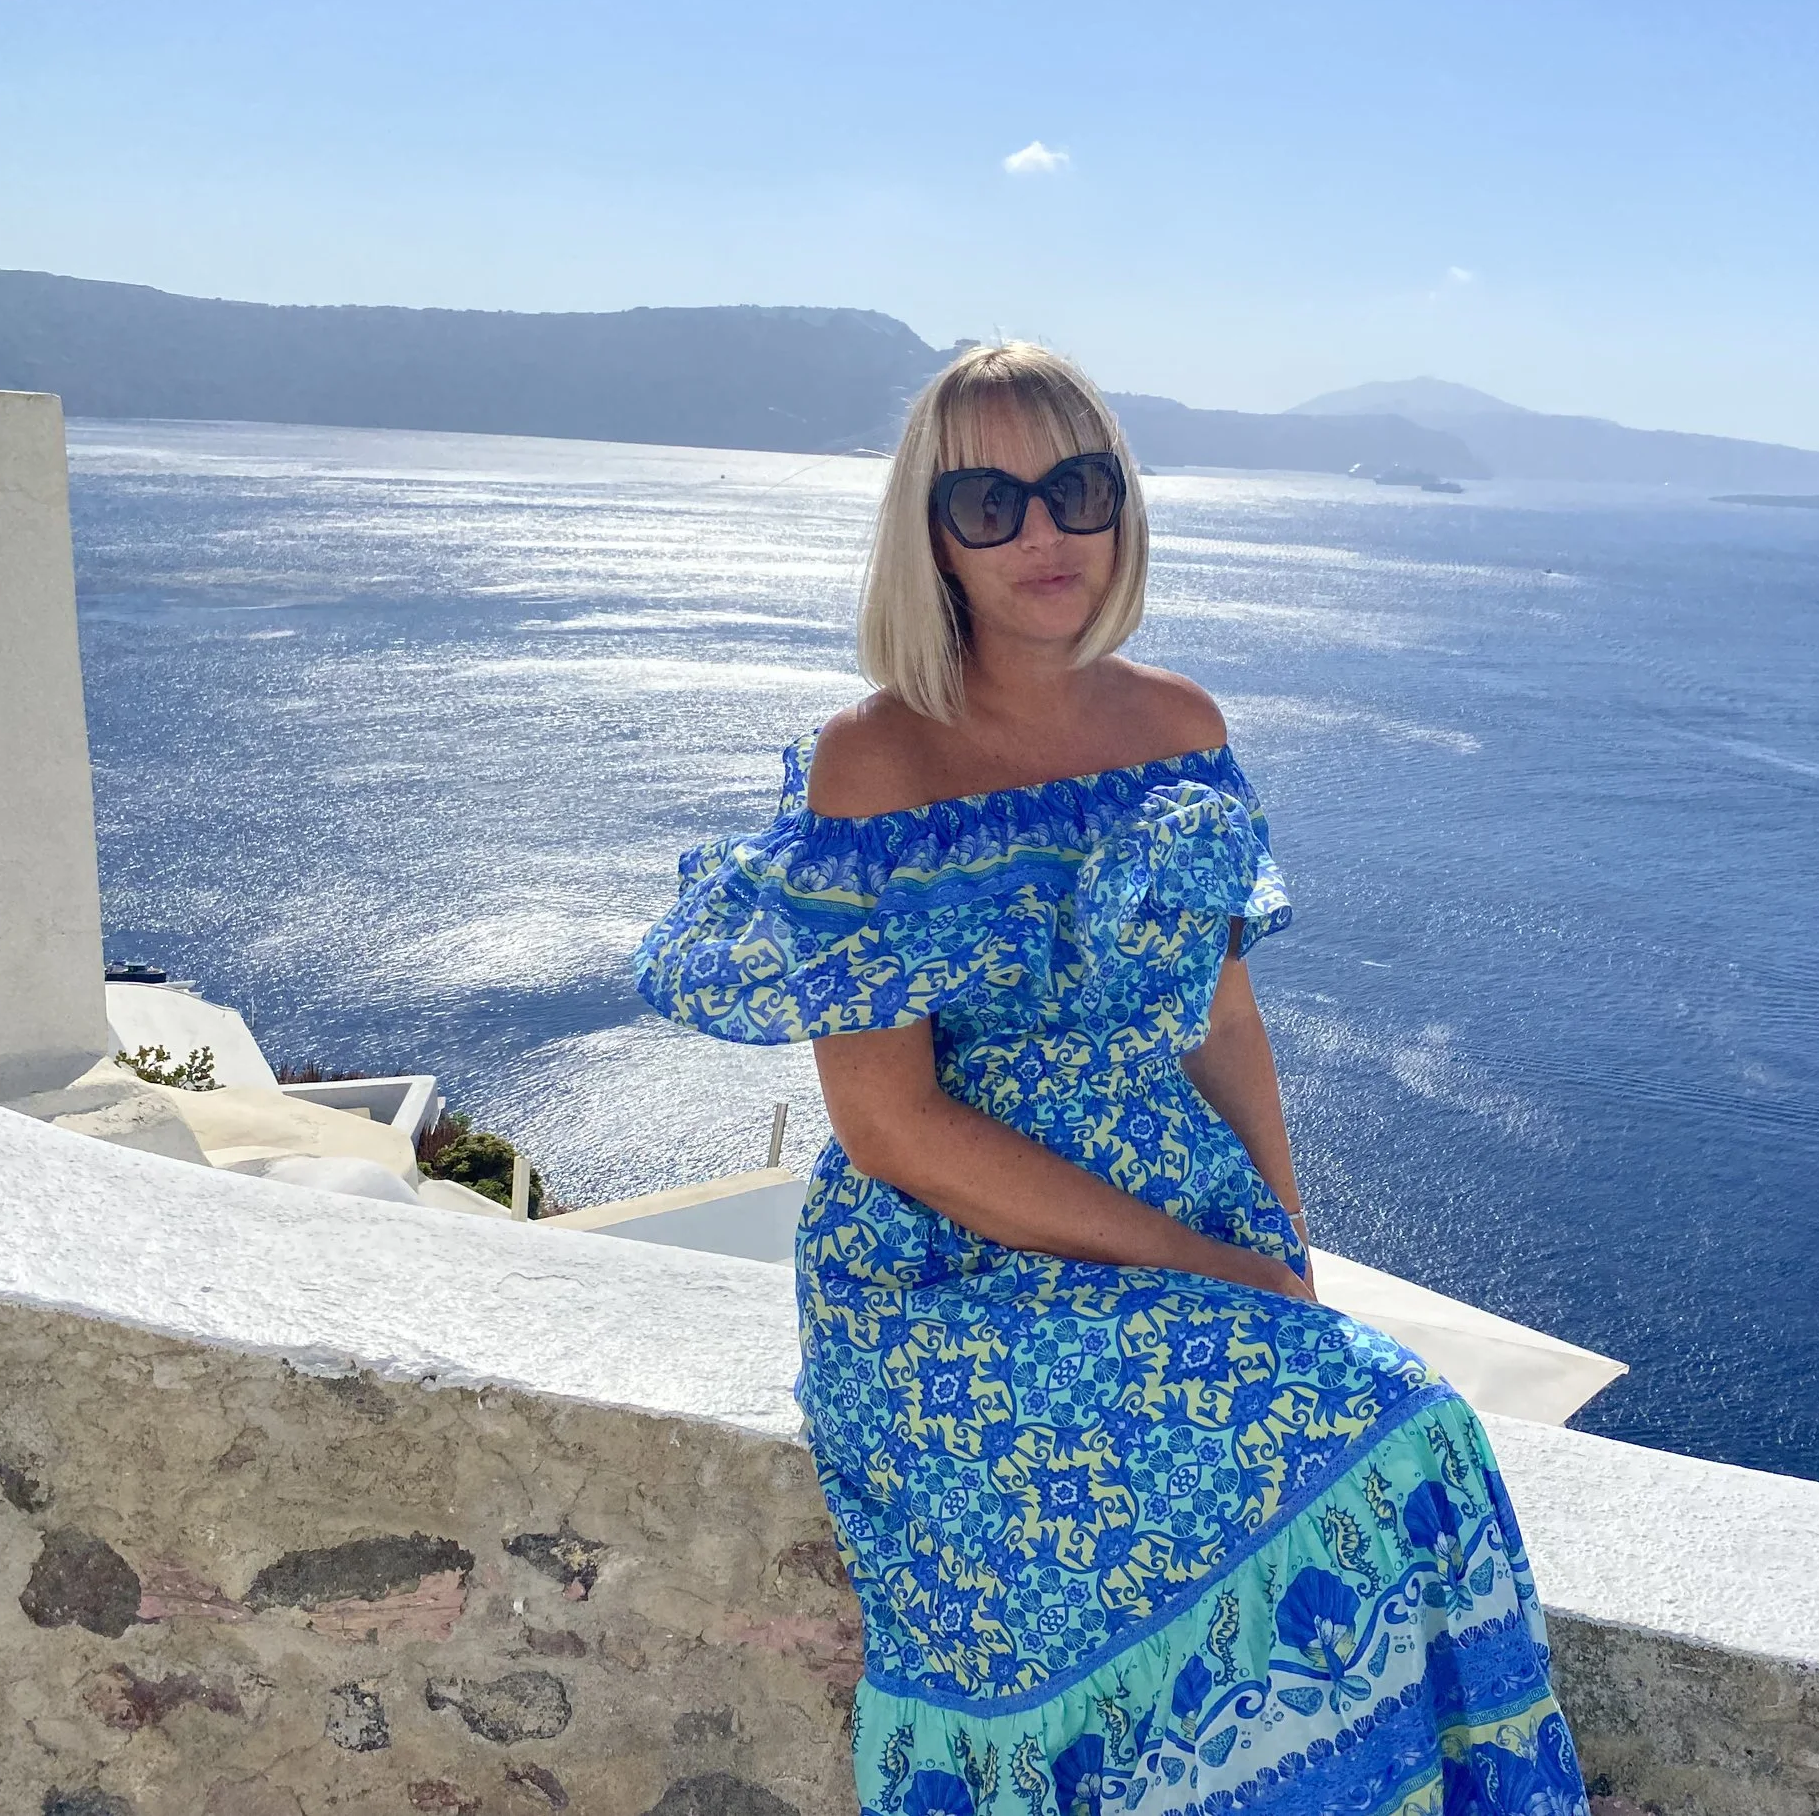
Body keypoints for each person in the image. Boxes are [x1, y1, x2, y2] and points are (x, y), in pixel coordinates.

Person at [636, 343, 1585, 1816]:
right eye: (989, 501)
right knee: (1367, 1431)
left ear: (1121, 505)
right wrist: (1201, 1261)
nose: (1043, 535)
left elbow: (1223, 1026)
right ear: (928, 531)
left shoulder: (1182, 730)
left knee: (1409, 1427)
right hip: (950, 1260)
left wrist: (1279, 1251)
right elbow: (890, 1123)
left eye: (1075, 490)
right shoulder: (874, 762)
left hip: (1175, 1201)